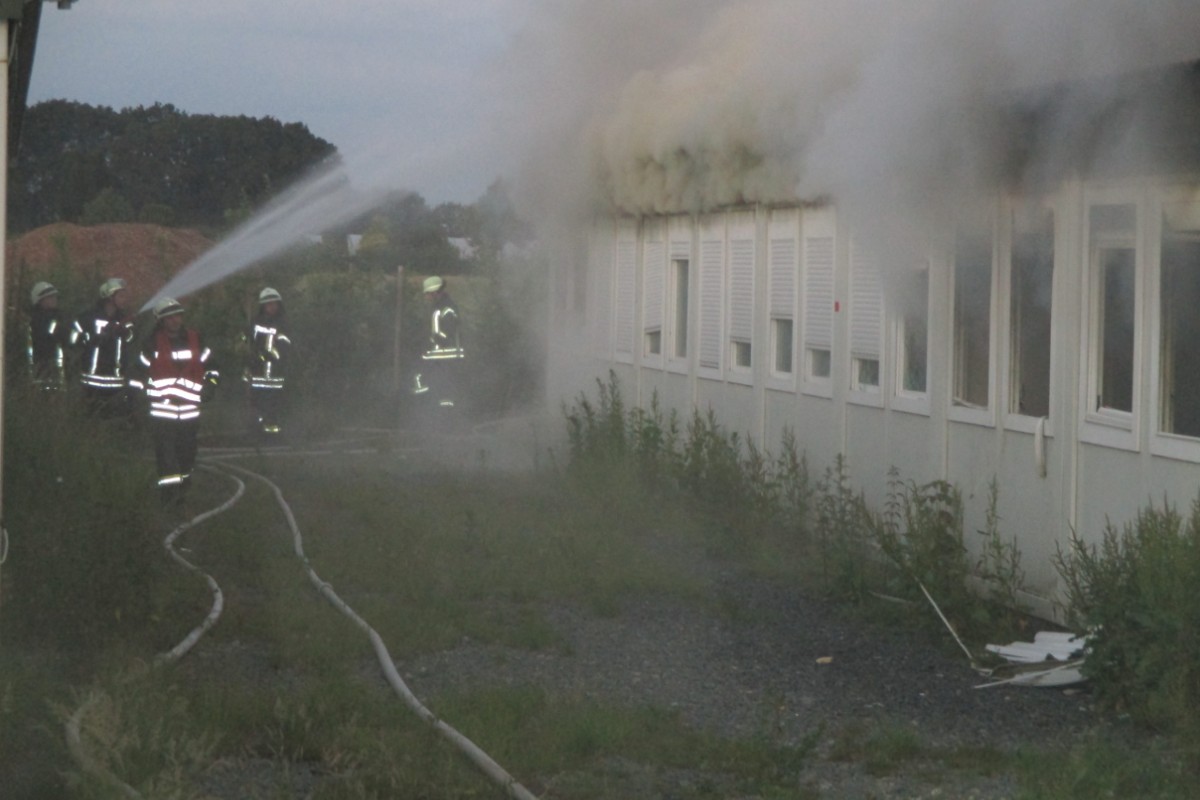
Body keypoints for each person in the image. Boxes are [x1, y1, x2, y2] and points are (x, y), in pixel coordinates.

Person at [131, 297, 219, 506]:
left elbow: (213, 367)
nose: (175, 321)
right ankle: (169, 496)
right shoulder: (152, 344)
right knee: (166, 454)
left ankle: (183, 488)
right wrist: (136, 397)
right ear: (161, 321)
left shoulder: (196, 339)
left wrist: (212, 385)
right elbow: (138, 373)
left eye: (178, 316)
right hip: (163, 410)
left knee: (187, 453)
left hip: (190, 410)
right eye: (170, 317)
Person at [70, 277, 135, 417]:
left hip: (115, 383)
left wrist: (123, 333)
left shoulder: (124, 319)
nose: (124, 299)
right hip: (91, 381)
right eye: (121, 296)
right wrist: (92, 338)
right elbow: (72, 338)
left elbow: (130, 339)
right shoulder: (88, 317)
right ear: (110, 297)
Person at [413, 275, 466, 414]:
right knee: (426, 383)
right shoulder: (436, 309)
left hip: (446, 357)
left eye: (428, 294)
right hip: (437, 356)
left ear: (435, 292)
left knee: (445, 391)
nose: (426, 297)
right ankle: (429, 414)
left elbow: (446, 335)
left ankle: (446, 420)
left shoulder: (447, 309)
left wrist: (430, 341)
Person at [243, 287, 292, 436]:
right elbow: (247, 342)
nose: (272, 307)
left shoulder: (283, 323)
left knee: (273, 405)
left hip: (275, 374)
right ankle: (256, 432)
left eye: (274, 304)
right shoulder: (255, 323)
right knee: (256, 405)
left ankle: (272, 434)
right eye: (268, 304)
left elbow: (285, 343)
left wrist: (270, 355)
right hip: (257, 373)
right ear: (263, 306)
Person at [27, 281, 68, 391]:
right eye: (49, 297)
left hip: (55, 370)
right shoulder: (38, 320)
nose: (54, 299)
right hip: (41, 367)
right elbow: (48, 339)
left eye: (55, 297)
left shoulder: (57, 317)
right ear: (39, 300)